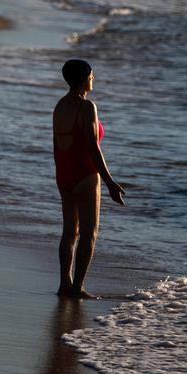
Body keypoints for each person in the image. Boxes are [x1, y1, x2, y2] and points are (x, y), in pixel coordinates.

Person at [52, 59, 125, 300]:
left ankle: (65, 284)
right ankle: (77, 288)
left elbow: (57, 147)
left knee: (68, 232)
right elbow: (93, 148)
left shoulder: (60, 106)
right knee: (89, 233)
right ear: (84, 79)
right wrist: (110, 182)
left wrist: (61, 176)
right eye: (92, 76)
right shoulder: (87, 107)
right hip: (85, 173)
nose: (93, 79)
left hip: (64, 174)